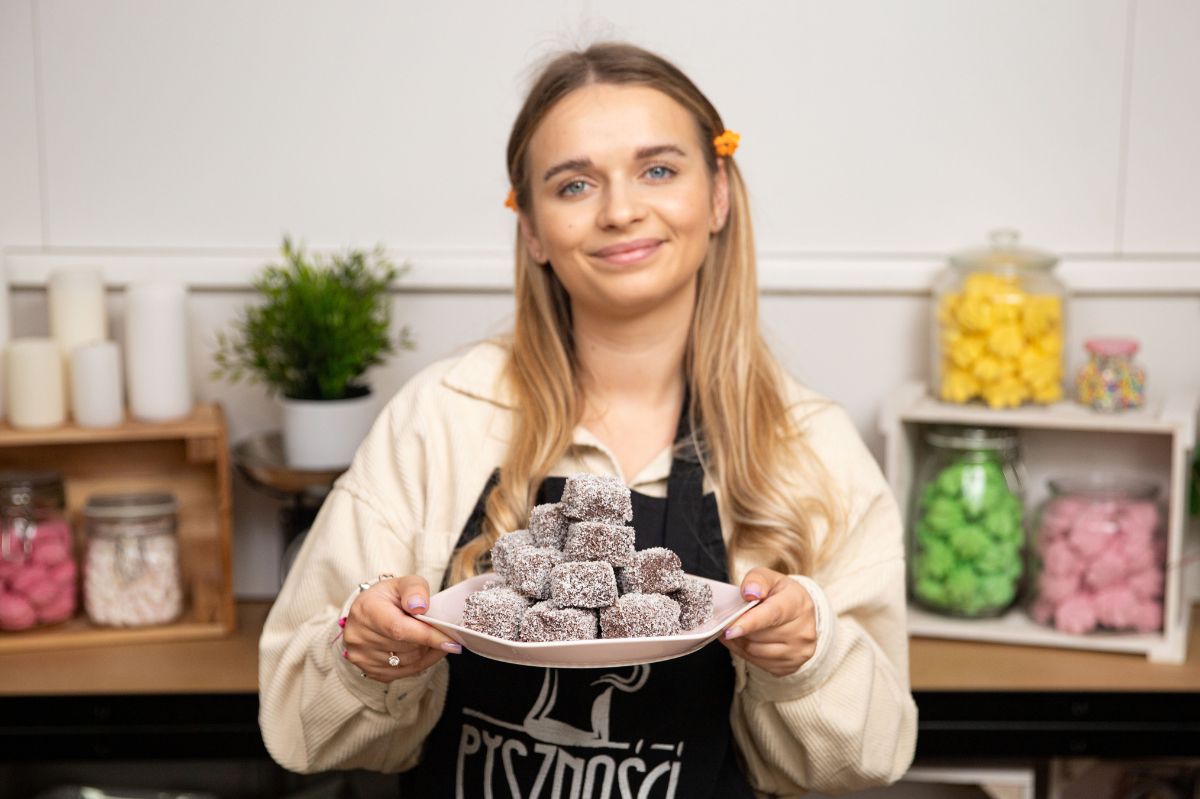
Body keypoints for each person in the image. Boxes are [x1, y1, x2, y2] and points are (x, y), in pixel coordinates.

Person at [259, 41, 917, 797]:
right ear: (532, 228)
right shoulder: (440, 417)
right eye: (574, 185)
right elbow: (297, 730)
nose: (620, 210)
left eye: (659, 170)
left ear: (719, 195)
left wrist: (809, 652)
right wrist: (367, 653)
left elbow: (872, 755)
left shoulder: (812, 447)